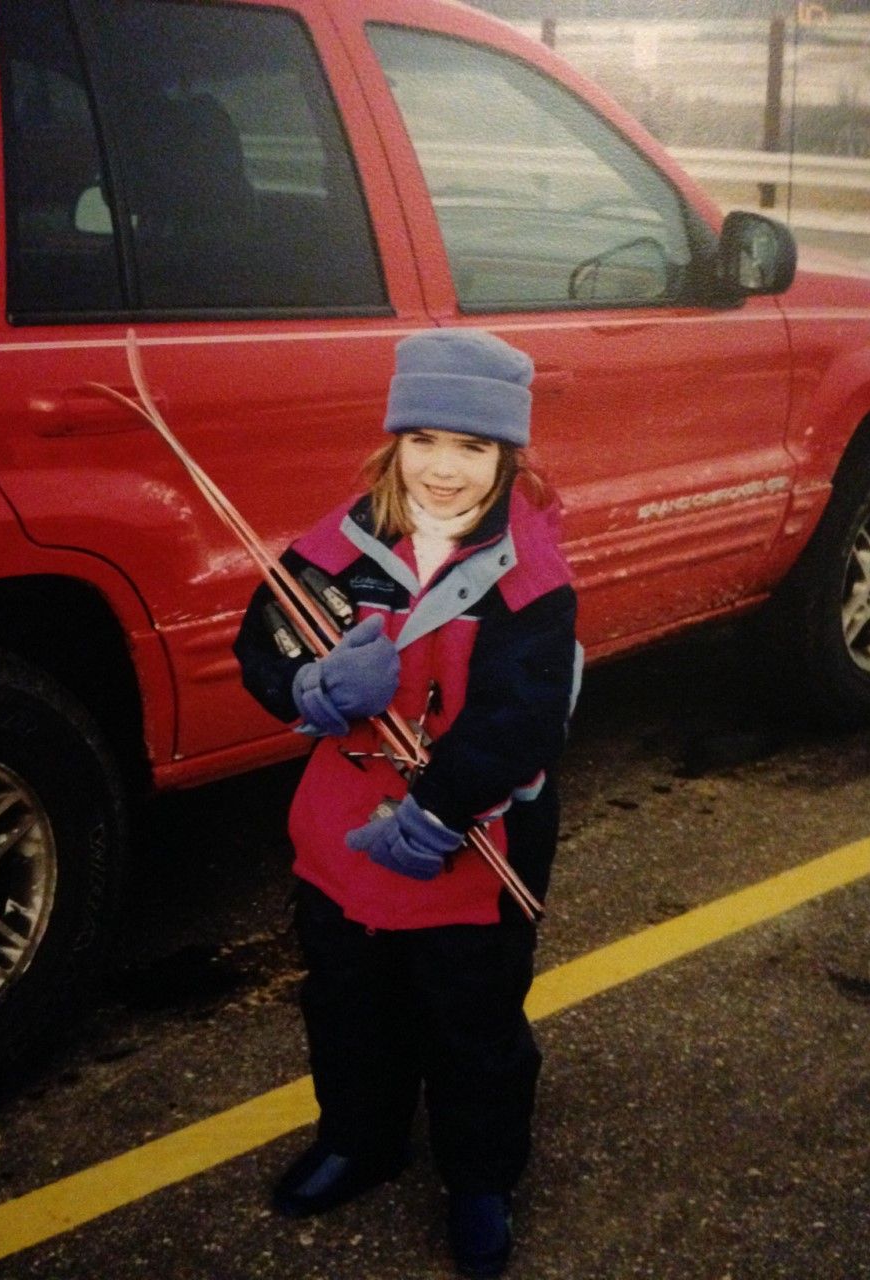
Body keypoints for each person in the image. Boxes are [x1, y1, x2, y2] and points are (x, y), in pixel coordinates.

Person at [233, 328, 579, 1279]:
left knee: (472, 1019)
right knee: (348, 1000)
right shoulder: (335, 547)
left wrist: (438, 812)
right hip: (341, 840)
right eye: (424, 439)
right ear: (393, 445)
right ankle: (362, 1135)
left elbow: (526, 717)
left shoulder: (530, 575)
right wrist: (309, 686)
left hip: (467, 843)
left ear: (508, 457)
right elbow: (259, 645)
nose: (443, 468)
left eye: (472, 447)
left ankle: (479, 1177)